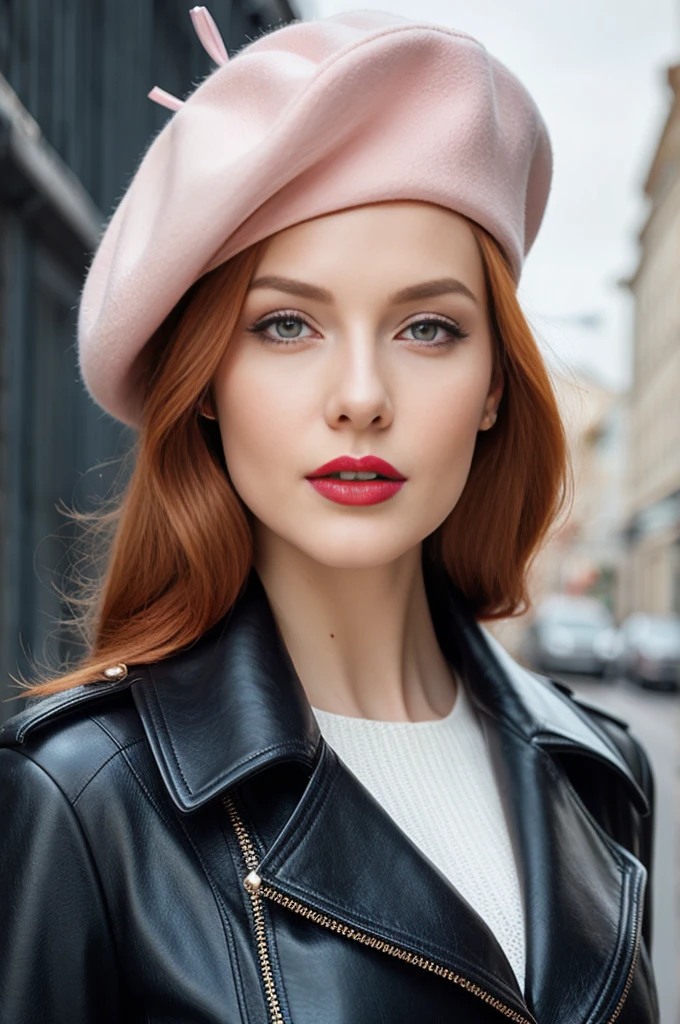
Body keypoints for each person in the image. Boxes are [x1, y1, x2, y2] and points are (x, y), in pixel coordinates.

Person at [0, 7, 659, 1023]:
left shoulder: (598, 770)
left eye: (427, 327)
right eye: (285, 324)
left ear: (493, 386)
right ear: (208, 378)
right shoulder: (85, 802)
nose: (360, 394)